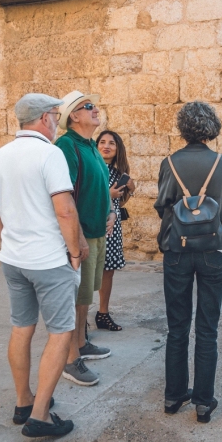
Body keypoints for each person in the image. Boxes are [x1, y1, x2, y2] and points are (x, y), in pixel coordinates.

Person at [0, 93, 80, 438]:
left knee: (21, 328)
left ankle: (24, 401)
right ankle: (40, 416)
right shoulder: (49, 154)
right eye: (56, 115)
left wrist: (9, 239)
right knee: (60, 332)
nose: (57, 122)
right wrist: (76, 253)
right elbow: (65, 210)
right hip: (49, 260)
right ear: (43, 119)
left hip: (14, 259)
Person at [155, 101, 222, 424]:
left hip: (177, 249)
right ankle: (203, 402)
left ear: (183, 127)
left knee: (177, 327)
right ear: (211, 128)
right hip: (213, 251)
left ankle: (174, 395)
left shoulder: (170, 163)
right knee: (208, 327)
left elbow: (163, 205)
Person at [54, 91, 117, 387]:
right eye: (87, 106)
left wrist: (111, 213)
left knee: (85, 297)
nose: (95, 109)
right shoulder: (67, 146)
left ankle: (81, 342)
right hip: (81, 236)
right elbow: (63, 198)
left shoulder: (90, 145)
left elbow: (100, 187)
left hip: (97, 232)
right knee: (75, 299)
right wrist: (75, 239)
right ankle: (70, 359)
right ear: (73, 117)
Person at [95, 130, 136, 332]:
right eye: (102, 142)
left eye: (112, 143)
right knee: (87, 272)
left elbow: (121, 202)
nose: (106, 146)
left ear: (118, 148)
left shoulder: (118, 172)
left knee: (108, 270)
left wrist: (129, 187)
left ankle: (103, 313)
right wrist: (107, 194)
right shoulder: (93, 168)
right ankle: (79, 317)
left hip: (113, 226)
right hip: (93, 224)